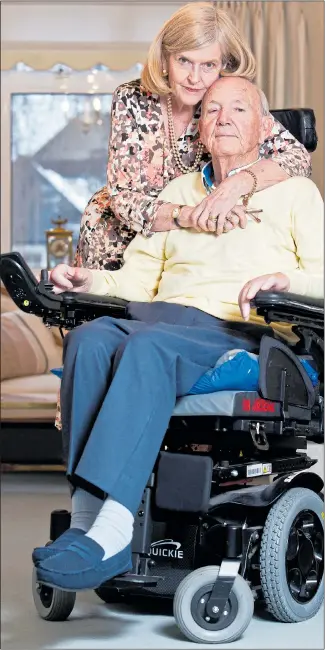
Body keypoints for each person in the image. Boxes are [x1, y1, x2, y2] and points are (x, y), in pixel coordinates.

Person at [34, 76, 323, 592]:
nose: (224, 117)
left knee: (146, 347)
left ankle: (114, 528)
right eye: (212, 110)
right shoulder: (177, 193)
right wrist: (87, 279)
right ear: (201, 131)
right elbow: (136, 281)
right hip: (158, 314)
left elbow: (322, 277)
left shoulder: (297, 192)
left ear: (264, 125)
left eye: (239, 108)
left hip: (235, 329)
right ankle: (86, 524)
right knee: (91, 339)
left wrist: (286, 281)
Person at [74, 1, 311, 273]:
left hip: (196, 234)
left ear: (223, 65)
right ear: (165, 59)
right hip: (130, 225)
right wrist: (188, 215)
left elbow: (298, 157)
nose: (194, 78)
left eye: (208, 64)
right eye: (184, 60)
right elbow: (124, 198)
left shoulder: (225, 100)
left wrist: (234, 185)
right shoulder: (132, 99)